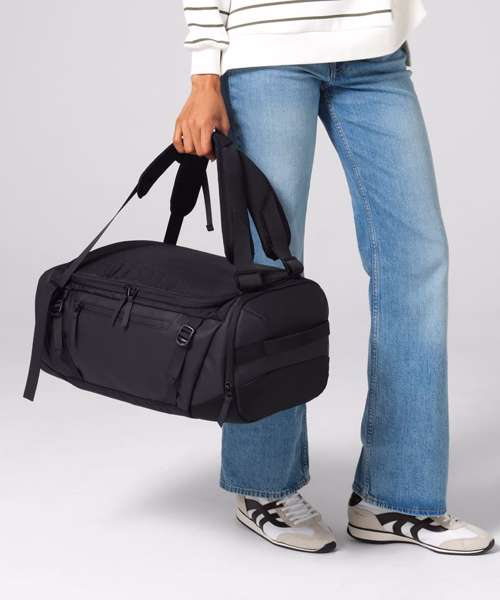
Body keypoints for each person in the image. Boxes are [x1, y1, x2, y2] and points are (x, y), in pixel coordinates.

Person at [173, 0, 494, 555]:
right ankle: (263, 485)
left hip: (374, 51)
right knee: (269, 269)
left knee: (417, 257)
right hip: (268, 48)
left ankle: (397, 496)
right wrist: (205, 72)